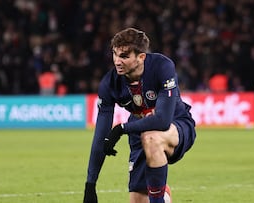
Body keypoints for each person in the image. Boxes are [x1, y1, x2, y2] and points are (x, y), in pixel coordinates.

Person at [83, 28, 196, 203]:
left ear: (141, 57)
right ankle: (162, 196)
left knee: (152, 137)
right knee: (138, 200)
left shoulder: (162, 66)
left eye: (124, 56)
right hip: (139, 134)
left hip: (177, 125)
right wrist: (90, 184)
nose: (117, 61)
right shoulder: (109, 84)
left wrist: (122, 128)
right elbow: (101, 136)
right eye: (115, 54)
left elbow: (163, 121)